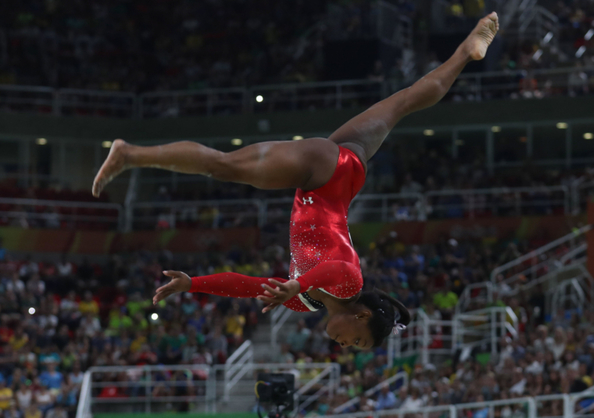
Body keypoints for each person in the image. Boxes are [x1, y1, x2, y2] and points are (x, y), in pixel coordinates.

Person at [94, 14, 501, 351]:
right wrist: (295, 283)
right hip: (322, 176)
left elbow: (250, 286)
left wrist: (193, 284)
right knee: (224, 166)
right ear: (360, 316)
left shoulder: (304, 304)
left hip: (345, 173)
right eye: (357, 342)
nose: (345, 346)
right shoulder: (348, 285)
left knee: (405, 101)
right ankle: (131, 154)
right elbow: (335, 267)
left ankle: (467, 50)